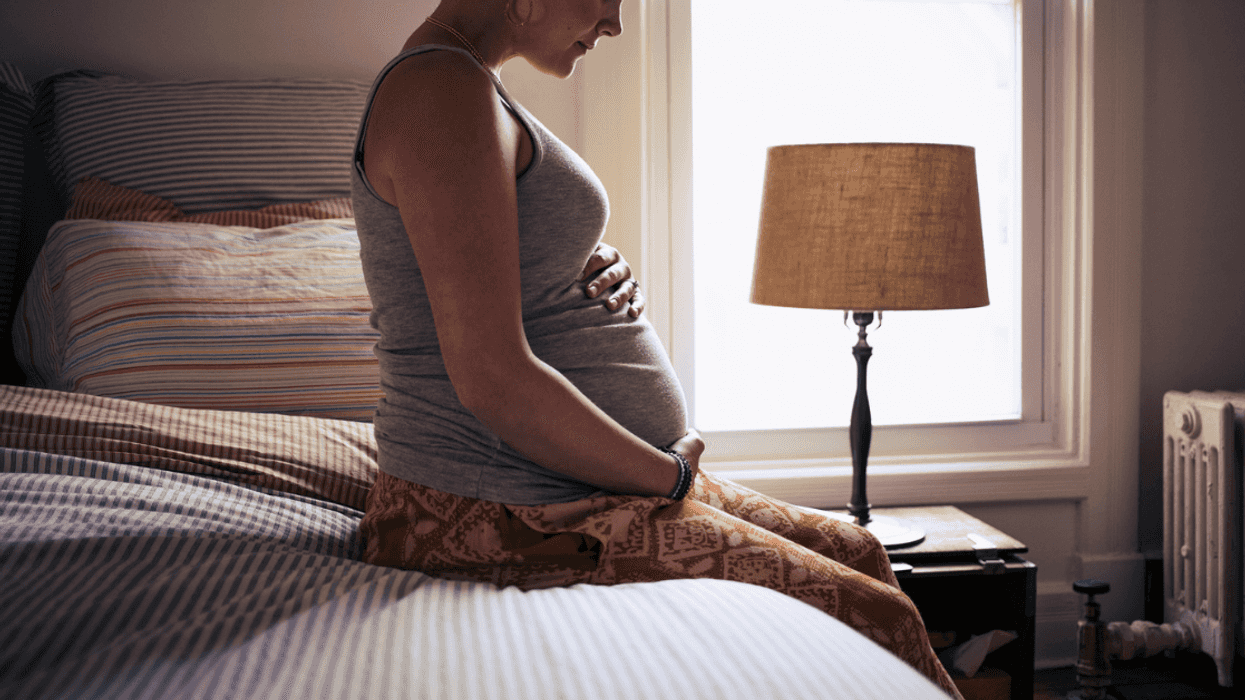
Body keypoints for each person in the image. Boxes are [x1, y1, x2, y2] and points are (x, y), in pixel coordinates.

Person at [350, 1, 961, 696]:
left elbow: (482, 265)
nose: (614, 23)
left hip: (559, 488)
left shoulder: (462, 82)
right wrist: (666, 477)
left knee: (859, 547)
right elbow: (489, 377)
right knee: (870, 612)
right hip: (495, 510)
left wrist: (577, 256)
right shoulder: (438, 89)